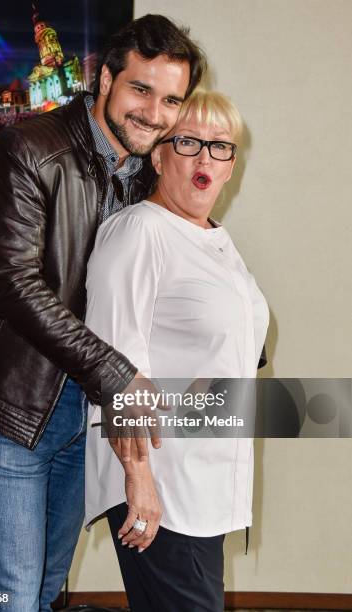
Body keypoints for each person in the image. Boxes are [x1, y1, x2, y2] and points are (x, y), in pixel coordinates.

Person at [0, 14, 205, 612]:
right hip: (10, 407)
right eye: (141, 90)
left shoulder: (146, 174)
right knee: (4, 598)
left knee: (44, 588)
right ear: (106, 79)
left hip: (82, 419)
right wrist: (116, 374)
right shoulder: (31, 148)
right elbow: (14, 285)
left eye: (171, 100)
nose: (155, 114)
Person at [85, 89, 269, 611]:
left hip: (207, 480)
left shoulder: (214, 239)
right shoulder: (140, 232)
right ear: (159, 156)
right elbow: (113, 367)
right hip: (163, 483)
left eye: (220, 146)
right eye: (188, 142)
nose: (205, 157)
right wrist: (138, 481)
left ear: (232, 165)